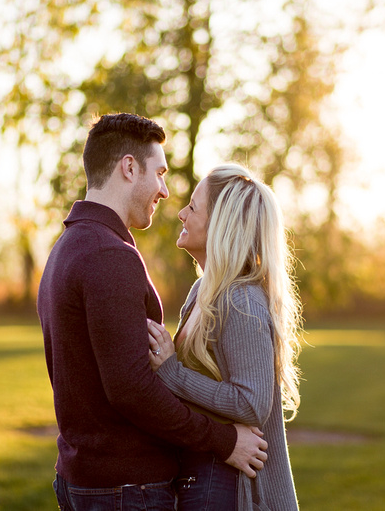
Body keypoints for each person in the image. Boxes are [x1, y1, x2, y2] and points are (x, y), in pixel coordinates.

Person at [37, 114, 268, 511]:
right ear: (129, 167)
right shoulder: (111, 255)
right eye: (159, 173)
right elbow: (132, 389)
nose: (164, 191)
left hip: (85, 478)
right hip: (125, 487)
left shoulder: (66, 247)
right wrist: (223, 440)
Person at [146, 163, 304, 510]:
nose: (182, 213)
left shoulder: (240, 299)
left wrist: (173, 372)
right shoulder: (202, 291)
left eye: (193, 207)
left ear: (221, 224)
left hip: (237, 491)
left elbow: (252, 403)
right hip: (202, 477)